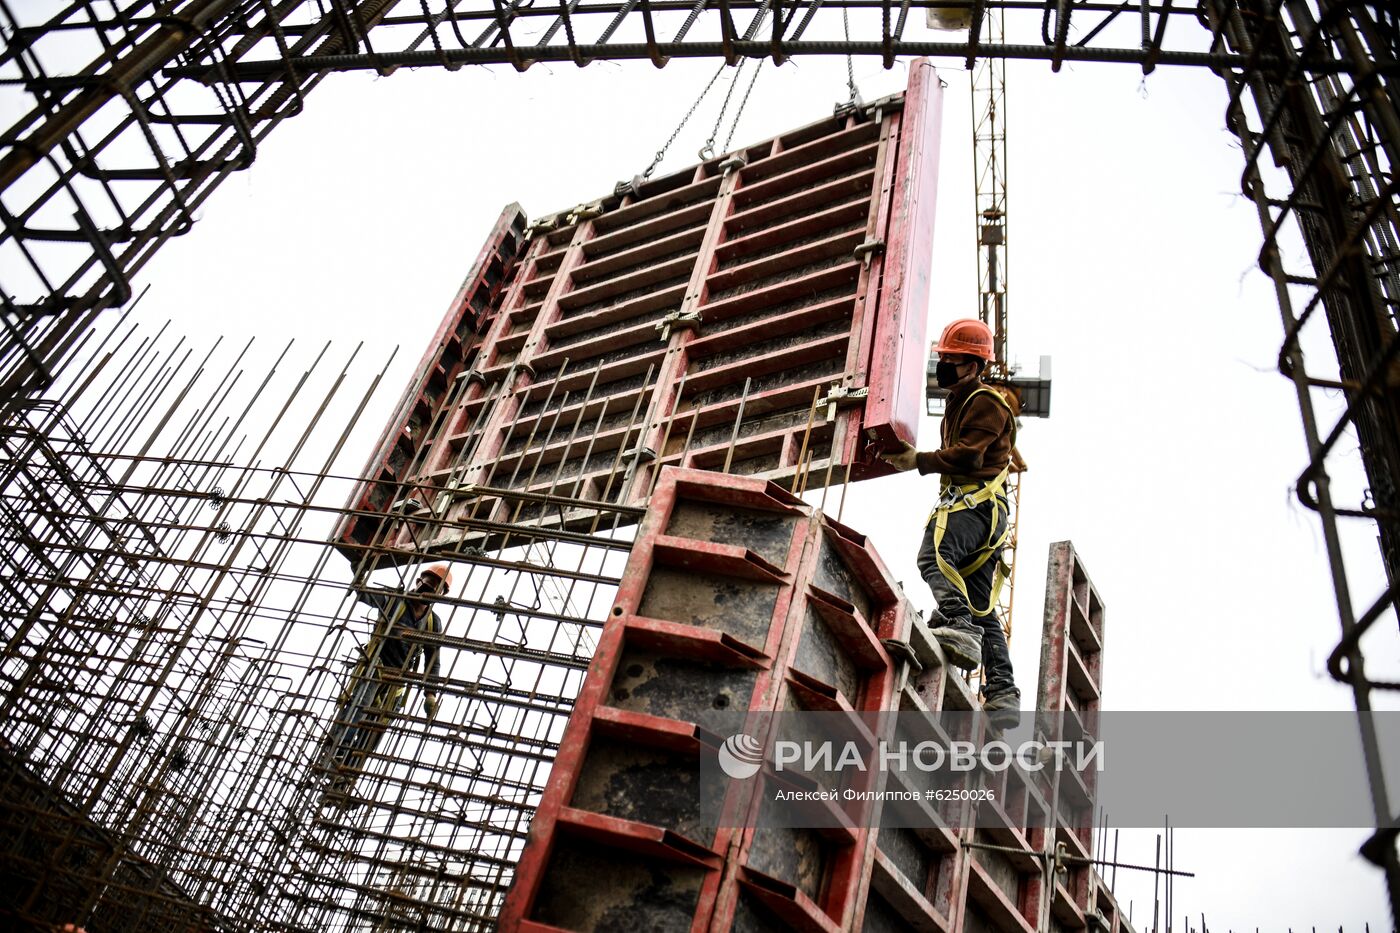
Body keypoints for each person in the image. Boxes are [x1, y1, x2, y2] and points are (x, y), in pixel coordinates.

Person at [881, 319, 1024, 730]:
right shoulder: (962, 403)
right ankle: (1002, 691)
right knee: (983, 606)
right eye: (942, 358)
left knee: (935, 557)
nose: (944, 365)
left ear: (975, 365)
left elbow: (969, 458)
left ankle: (958, 624)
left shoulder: (986, 402)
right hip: (985, 514)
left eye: (953, 360)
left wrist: (918, 461)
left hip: (976, 507)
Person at [319, 563, 452, 805]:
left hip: (396, 682)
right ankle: (330, 764)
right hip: (373, 669)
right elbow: (362, 592)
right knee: (354, 714)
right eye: (426, 580)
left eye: (435, 585)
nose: (427, 587)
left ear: (441, 593)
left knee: (373, 733)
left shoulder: (433, 623)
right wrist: (360, 565)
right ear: (418, 581)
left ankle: (343, 784)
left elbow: (432, 660)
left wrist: (430, 694)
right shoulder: (396, 601)